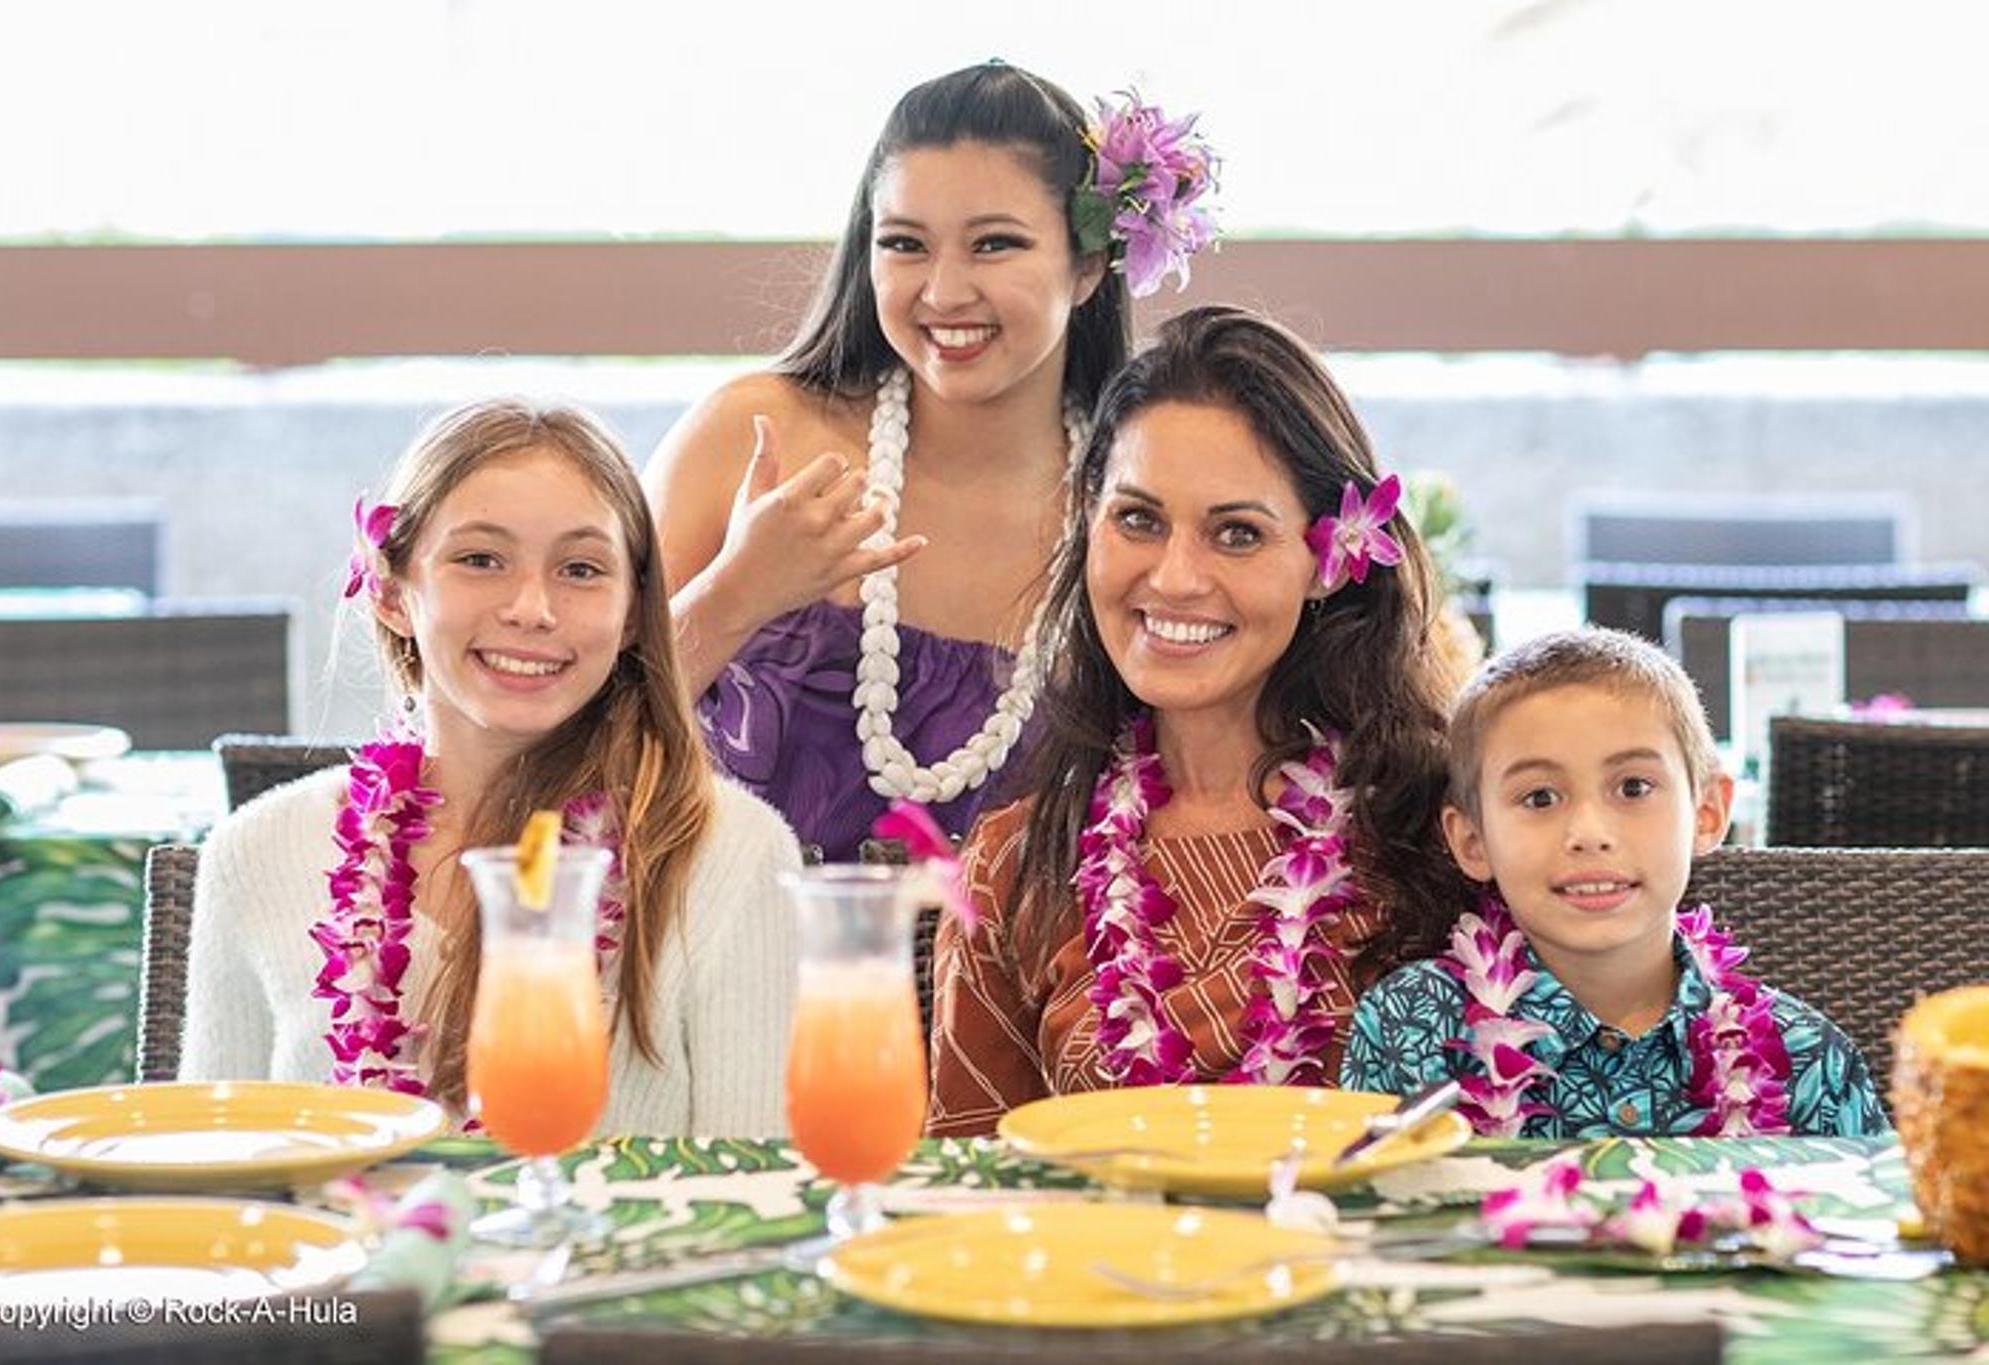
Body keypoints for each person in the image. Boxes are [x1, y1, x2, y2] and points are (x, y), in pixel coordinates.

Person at [181, 400, 802, 1138]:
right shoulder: (254, 854)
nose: (532, 608)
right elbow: (208, 1168)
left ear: (634, 613)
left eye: (581, 569)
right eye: (480, 559)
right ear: (390, 590)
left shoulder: (734, 854)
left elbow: (760, 1185)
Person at [648, 63, 1216, 861]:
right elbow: (571, 731)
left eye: (995, 244)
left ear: (1088, 265)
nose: (944, 292)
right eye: (905, 244)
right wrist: (737, 593)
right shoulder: (754, 435)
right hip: (716, 939)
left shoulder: (1133, 512)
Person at [926, 306, 1466, 1136]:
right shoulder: (1013, 868)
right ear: (1088, 519)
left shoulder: (1448, 835)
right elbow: (968, 1180)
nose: (1176, 578)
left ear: (1328, 561)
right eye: (1139, 519)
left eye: (1237, 533)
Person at [1341, 627, 1888, 1137]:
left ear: (1707, 813)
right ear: (1472, 841)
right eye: (1540, 797)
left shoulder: (1806, 1059)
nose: (1589, 833)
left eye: (1633, 788)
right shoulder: (1410, 1029)